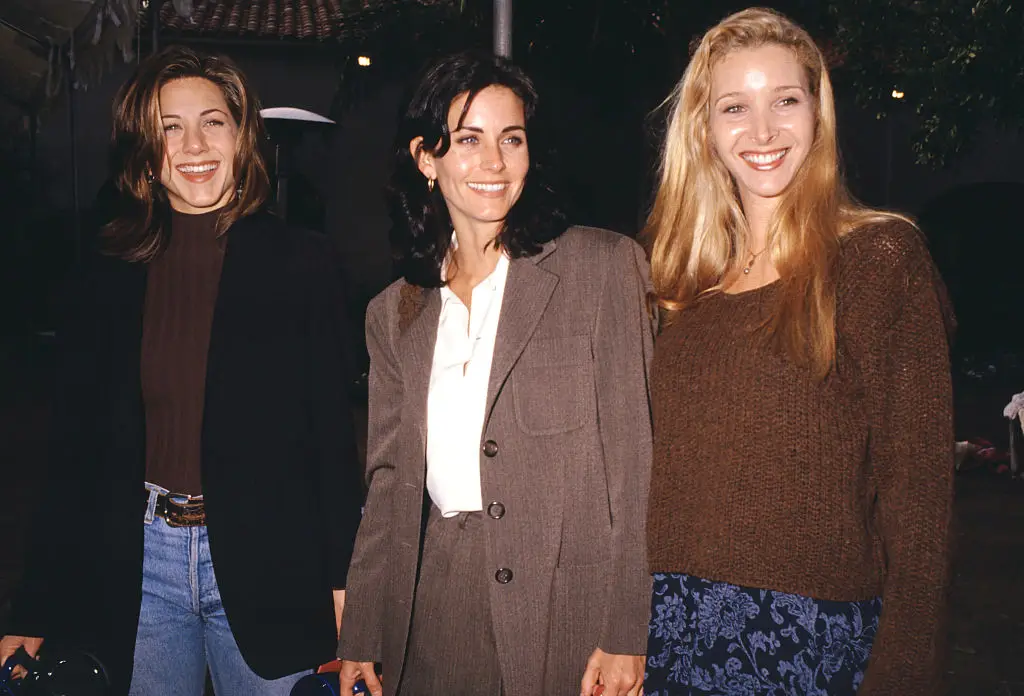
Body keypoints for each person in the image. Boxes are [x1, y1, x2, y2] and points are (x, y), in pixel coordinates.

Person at [0, 46, 363, 695]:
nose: (194, 144)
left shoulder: (304, 265)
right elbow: (74, 452)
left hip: (272, 564)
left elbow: (332, 442)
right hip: (138, 570)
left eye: (213, 121)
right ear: (145, 146)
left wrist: (349, 588)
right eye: (170, 126)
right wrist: (34, 606)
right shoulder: (106, 273)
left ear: (242, 132)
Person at [643, 8, 954, 695]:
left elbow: (920, 501)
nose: (762, 132)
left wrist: (902, 673)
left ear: (818, 112)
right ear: (703, 128)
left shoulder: (877, 261)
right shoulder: (681, 287)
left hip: (808, 641)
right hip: (674, 627)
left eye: (785, 100)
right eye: (734, 107)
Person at [337, 51, 654, 696]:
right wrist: (363, 634)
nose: (495, 163)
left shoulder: (601, 270)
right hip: (436, 605)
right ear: (426, 159)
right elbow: (391, 483)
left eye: (512, 139)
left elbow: (636, 462)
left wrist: (629, 630)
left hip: (567, 609)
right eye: (468, 140)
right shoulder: (394, 312)